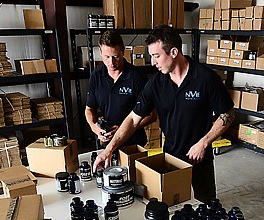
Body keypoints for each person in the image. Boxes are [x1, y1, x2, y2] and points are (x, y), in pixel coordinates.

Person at [93, 25, 235, 204]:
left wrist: (204, 143)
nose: (153, 62)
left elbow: (227, 113)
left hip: (200, 157)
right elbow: (133, 119)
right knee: (171, 206)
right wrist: (109, 149)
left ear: (174, 52)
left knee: (206, 205)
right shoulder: (156, 85)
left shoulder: (205, 78)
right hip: (171, 156)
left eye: (156, 56)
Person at [85, 30, 157, 148]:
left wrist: (124, 129)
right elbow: (89, 109)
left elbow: (152, 115)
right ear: (100, 52)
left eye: (115, 57)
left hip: (133, 143)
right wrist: (94, 127)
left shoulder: (137, 77)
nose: (111, 62)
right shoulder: (96, 76)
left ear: (123, 52)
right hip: (107, 142)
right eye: (106, 57)